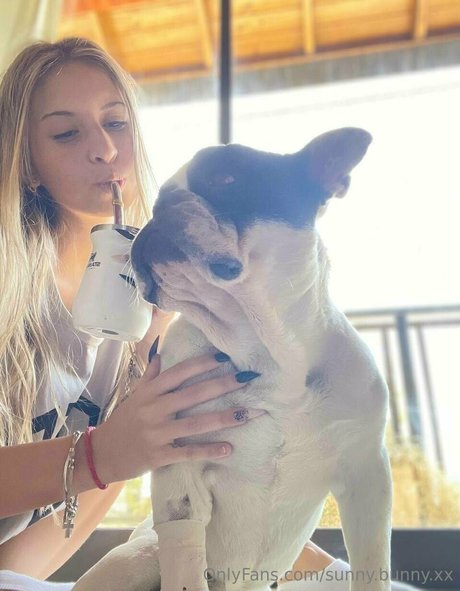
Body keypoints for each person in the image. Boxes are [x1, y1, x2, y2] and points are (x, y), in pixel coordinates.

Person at [0, 38, 414, 591]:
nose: (105, 148)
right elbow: (106, 461)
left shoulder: (156, 308)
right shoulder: (13, 291)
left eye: (116, 122)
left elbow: (132, 478)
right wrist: (100, 455)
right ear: (25, 162)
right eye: (66, 133)